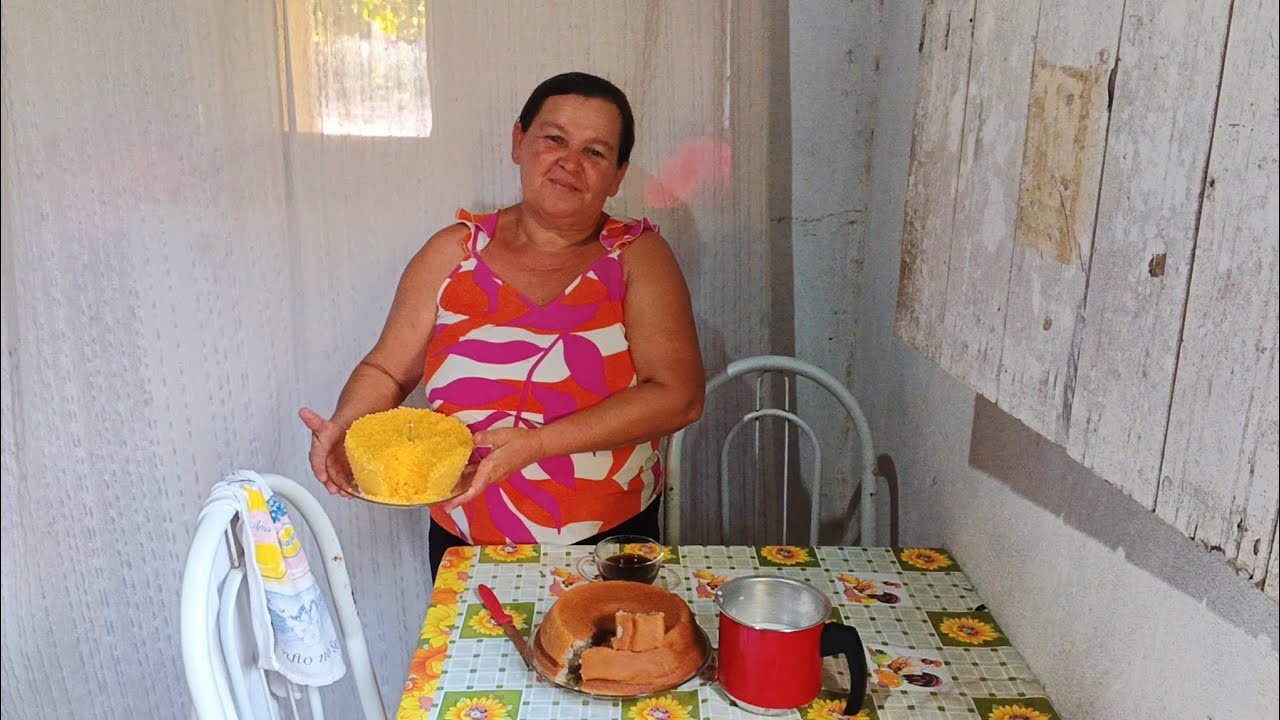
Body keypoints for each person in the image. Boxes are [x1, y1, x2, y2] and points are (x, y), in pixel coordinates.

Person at [299, 72, 705, 579]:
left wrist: (536, 445)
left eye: (595, 152)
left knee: (605, 637)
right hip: (463, 541)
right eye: (554, 139)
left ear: (618, 175)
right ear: (519, 142)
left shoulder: (637, 255)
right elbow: (386, 369)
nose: (570, 162)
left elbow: (679, 396)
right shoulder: (453, 251)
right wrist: (347, 425)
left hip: (609, 543)